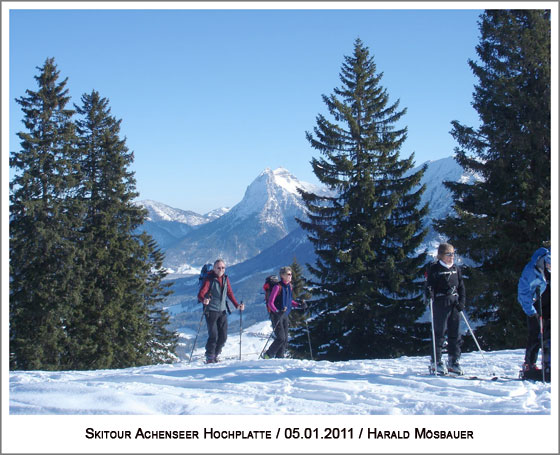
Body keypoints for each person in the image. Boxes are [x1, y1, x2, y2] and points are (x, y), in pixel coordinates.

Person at [426, 243, 466, 375]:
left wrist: (462, 301)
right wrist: (429, 293)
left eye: (453, 254)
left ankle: (453, 361)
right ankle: (436, 361)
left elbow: (461, 286)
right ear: (441, 255)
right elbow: (430, 285)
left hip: (454, 302)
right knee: (439, 332)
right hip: (441, 302)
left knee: (455, 332)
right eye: (449, 254)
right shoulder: (435, 268)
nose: (451, 257)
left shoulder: (455, 268)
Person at [197, 259, 244, 363]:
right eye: (218, 267)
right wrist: (204, 300)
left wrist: (236, 305)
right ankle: (210, 356)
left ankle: (216, 355)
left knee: (223, 336)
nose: (221, 270)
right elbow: (200, 294)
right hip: (211, 311)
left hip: (222, 311)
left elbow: (229, 293)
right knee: (213, 335)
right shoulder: (209, 280)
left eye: (223, 268)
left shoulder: (225, 279)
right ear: (214, 268)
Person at [517, 245, 551, 378]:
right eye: (549, 264)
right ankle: (529, 364)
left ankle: (548, 364)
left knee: (550, 335)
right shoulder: (531, 270)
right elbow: (523, 293)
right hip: (536, 306)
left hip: (550, 304)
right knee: (536, 334)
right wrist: (531, 312)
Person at [262, 266, 302, 359]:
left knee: (285, 340)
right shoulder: (277, 287)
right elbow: (270, 302)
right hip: (276, 315)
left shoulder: (289, 286)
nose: (290, 276)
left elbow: (289, 301)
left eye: (291, 274)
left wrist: (299, 305)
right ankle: (268, 355)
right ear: (282, 275)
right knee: (281, 338)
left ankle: (280, 358)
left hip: (284, 315)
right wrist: (276, 311)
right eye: (288, 274)